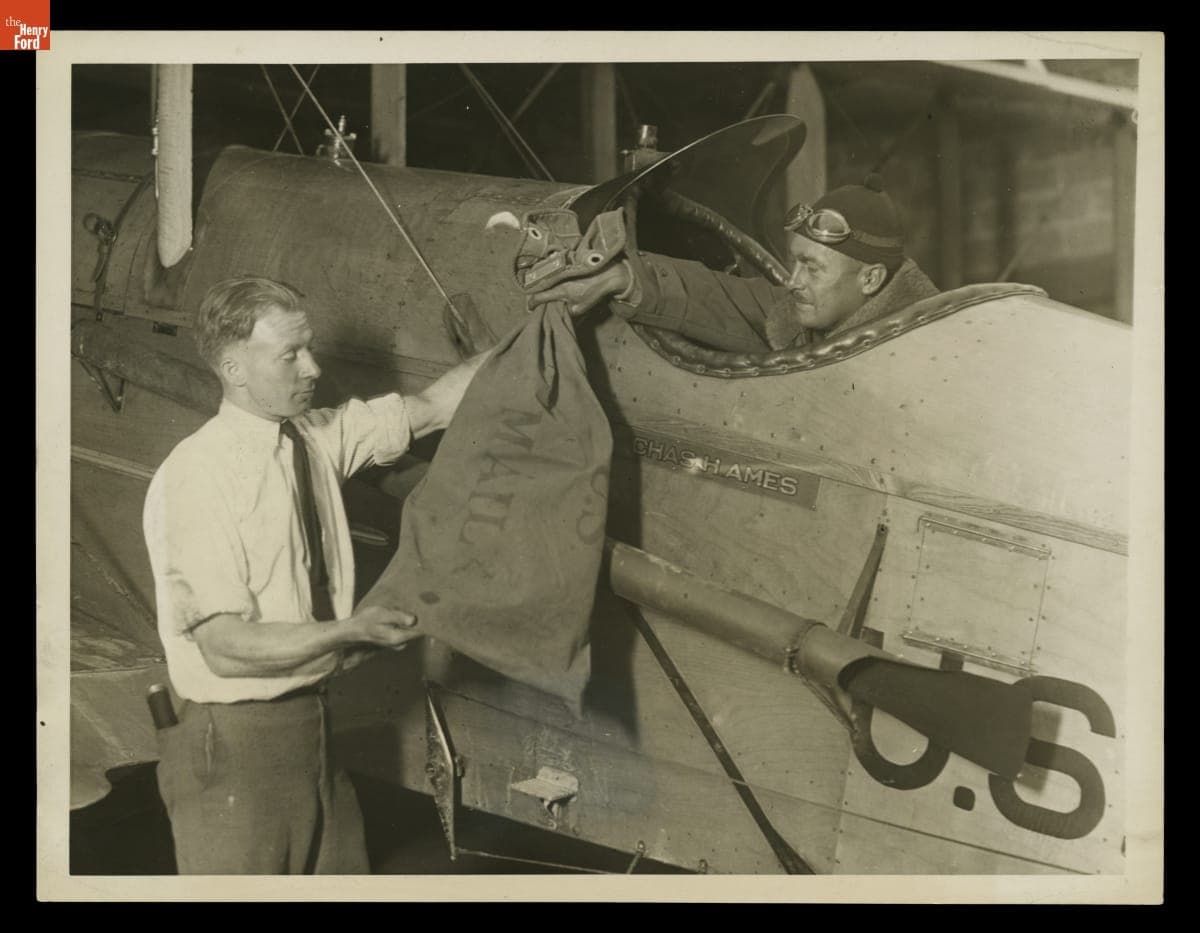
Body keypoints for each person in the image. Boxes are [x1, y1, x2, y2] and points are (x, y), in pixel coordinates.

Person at [142, 276, 487, 874]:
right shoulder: (198, 475)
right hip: (234, 746)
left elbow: (433, 409)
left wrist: (547, 324)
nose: (313, 368)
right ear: (234, 368)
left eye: (310, 348)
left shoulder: (313, 438)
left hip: (315, 727)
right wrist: (348, 633)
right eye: (290, 355)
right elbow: (225, 648)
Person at [530, 174, 940, 351]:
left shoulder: (918, 351)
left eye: (812, 268)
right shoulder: (814, 310)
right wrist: (623, 277)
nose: (793, 282)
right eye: (795, 263)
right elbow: (726, 294)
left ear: (870, 279)